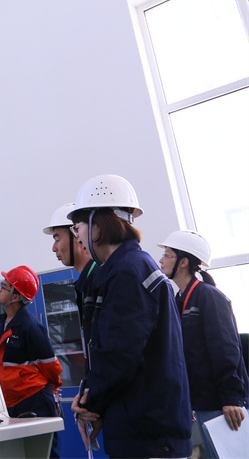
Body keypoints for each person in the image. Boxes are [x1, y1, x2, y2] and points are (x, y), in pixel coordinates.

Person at [69, 174, 192, 458]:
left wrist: (90, 402)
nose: (78, 238)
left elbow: (118, 353)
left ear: (97, 226)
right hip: (148, 426)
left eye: (78, 228)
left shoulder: (126, 271)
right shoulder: (132, 266)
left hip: (146, 433)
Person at [158, 230, 248, 457]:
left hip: (220, 405)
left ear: (183, 262)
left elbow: (226, 349)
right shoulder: (179, 299)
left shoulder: (209, 296)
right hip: (198, 403)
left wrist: (231, 398)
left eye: (167, 255)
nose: (161, 260)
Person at [0, 265, 63, 459]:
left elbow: (50, 364)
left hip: (34, 400)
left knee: (45, 453)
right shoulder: (4, 322)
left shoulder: (30, 325)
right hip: (13, 401)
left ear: (15, 297)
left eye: (4, 286)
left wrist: (53, 385)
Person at [44, 202, 97, 374]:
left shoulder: (100, 279)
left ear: (77, 234)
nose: (54, 248)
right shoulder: (88, 281)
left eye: (57, 239)